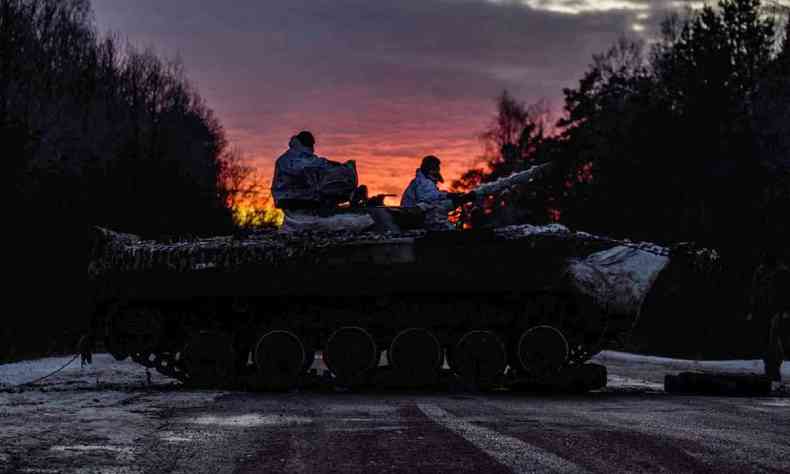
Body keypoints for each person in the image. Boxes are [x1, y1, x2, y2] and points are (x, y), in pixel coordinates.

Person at [271, 131, 358, 213]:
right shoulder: (291, 158)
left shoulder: (303, 156)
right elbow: (308, 165)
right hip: (289, 196)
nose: (312, 145)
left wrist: (336, 165)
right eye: (309, 143)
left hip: (295, 195)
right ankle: (330, 212)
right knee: (324, 189)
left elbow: (317, 162)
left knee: (325, 187)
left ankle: (334, 207)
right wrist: (332, 166)